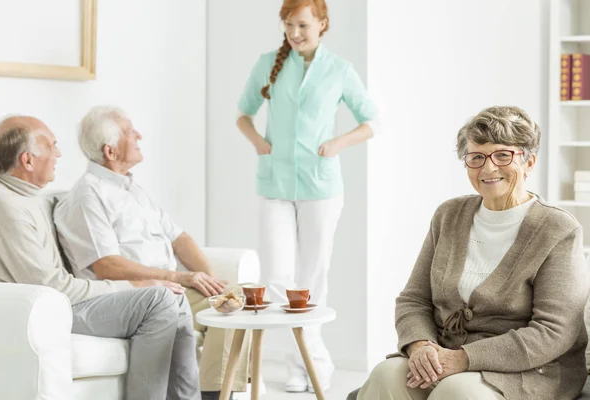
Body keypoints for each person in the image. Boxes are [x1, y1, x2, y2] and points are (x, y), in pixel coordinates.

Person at [355, 106, 588, 400]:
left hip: (530, 369)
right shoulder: (449, 215)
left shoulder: (558, 229)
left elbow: (554, 331)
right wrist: (421, 345)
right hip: (444, 353)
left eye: (503, 155)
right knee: (385, 374)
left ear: (529, 161)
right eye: (476, 157)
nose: (488, 168)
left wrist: (464, 358)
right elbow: (414, 299)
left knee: (458, 391)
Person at [0, 115, 200, 400]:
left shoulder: (28, 197)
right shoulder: (5, 205)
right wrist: (131, 286)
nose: (59, 154)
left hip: (63, 302)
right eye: (52, 147)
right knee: (159, 298)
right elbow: (51, 286)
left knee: (170, 295)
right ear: (28, 161)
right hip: (46, 311)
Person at [53, 106, 248, 400]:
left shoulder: (132, 189)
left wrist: (211, 282)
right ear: (110, 150)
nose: (139, 136)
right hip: (134, 295)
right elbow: (107, 265)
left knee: (234, 298)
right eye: (131, 133)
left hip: (172, 286)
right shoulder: (88, 195)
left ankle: (219, 394)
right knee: (186, 301)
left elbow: (179, 238)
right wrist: (175, 276)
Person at [236, 0, 378, 393]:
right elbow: (243, 113)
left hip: (321, 186)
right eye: (288, 25)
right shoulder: (268, 62)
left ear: (322, 24)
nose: (294, 33)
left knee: (313, 280)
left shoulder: (339, 70)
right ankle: (318, 361)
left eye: (302, 25)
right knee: (278, 278)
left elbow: (370, 121)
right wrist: (259, 144)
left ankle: (301, 368)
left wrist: (337, 143)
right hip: (274, 185)